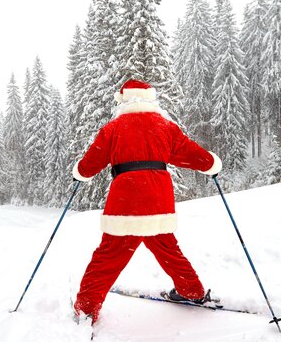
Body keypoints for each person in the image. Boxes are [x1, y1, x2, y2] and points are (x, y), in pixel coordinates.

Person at [72, 79, 222, 324]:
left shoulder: (113, 128)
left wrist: (79, 172)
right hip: (158, 201)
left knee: (108, 256)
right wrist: (211, 165)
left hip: (125, 202)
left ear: (124, 101)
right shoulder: (164, 126)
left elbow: (90, 164)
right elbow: (191, 152)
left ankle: (87, 307)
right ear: (149, 99)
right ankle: (191, 291)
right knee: (167, 248)